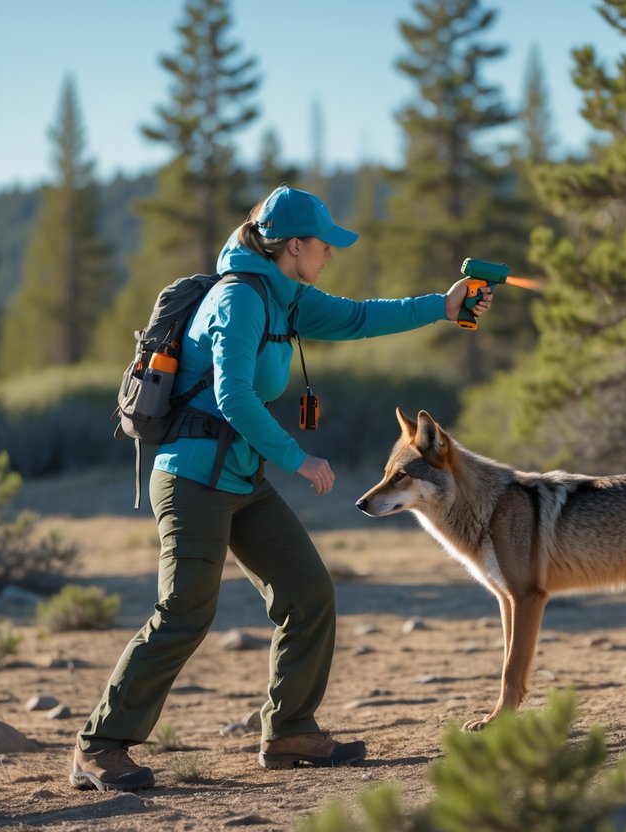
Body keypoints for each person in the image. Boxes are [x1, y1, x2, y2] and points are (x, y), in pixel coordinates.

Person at [70, 184, 493, 791]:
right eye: (324, 246)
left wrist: (443, 306)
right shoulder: (240, 299)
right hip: (191, 478)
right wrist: (298, 458)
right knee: (186, 609)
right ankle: (100, 745)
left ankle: (290, 730)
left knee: (308, 590)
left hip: (239, 476)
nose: (330, 256)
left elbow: (361, 316)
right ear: (293, 246)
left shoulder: (286, 298)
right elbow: (232, 395)